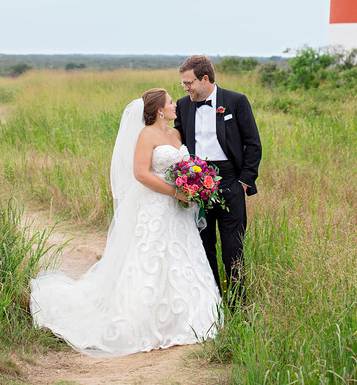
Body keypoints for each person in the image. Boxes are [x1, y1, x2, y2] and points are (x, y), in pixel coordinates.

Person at [30, 88, 221, 357]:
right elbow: (141, 174)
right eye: (169, 102)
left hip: (179, 211)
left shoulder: (176, 134)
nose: (175, 106)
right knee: (149, 258)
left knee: (182, 258)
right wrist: (176, 192)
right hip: (156, 206)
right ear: (158, 110)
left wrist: (193, 185)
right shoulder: (146, 135)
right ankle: (142, 321)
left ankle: (190, 319)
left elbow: (184, 166)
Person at [175, 55, 261, 300]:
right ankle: (211, 304)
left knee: (233, 248)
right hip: (196, 185)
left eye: (189, 82)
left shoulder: (236, 101)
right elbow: (177, 142)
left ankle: (237, 306)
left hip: (230, 181)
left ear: (205, 79)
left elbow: (253, 145)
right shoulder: (182, 105)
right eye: (183, 84)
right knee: (204, 246)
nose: (185, 88)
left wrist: (243, 183)